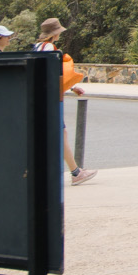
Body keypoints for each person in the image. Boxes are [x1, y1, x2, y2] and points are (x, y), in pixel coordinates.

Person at [33, 17, 97, 186]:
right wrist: (72, 86)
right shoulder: (50, 49)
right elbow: (55, 74)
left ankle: (60, 172)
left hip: (39, 97)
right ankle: (76, 173)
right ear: (55, 33)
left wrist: (72, 88)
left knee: (51, 136)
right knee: (61, 135)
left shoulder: (37, 47)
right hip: (51, 99)